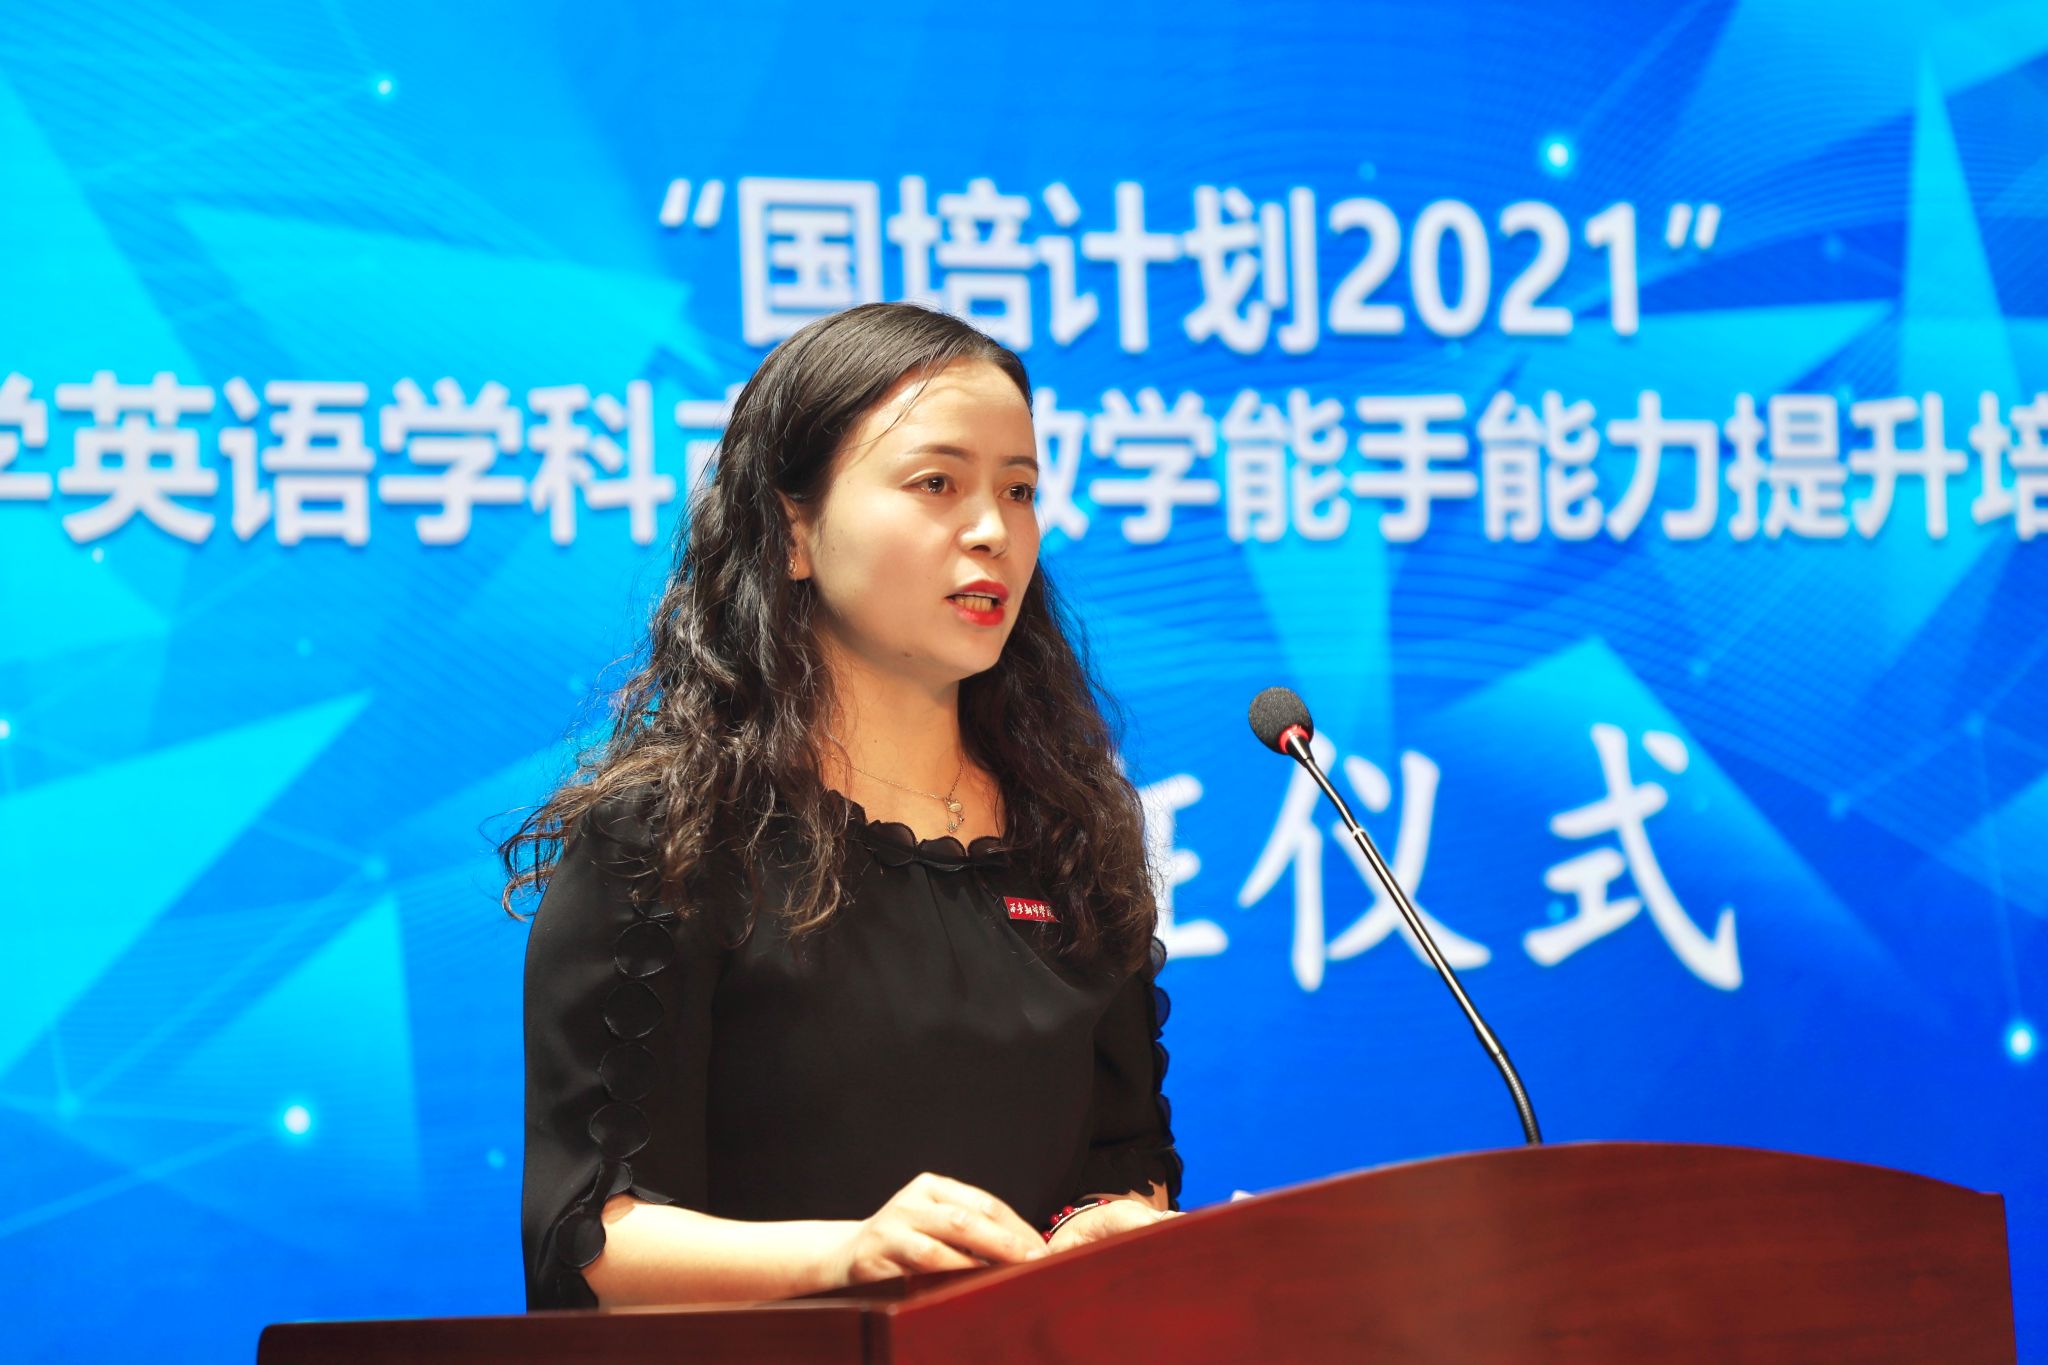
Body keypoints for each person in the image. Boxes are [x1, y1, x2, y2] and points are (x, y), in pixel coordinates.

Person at [502, 301, 1182, 1311]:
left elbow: (1127, 1163)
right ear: (793, 533)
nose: (993, 530)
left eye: (1019, 489)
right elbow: (589, 1244)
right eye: (936, 483)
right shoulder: (671, 837)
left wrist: (1108, 1228)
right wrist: (848, 1256)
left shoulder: (1067, 836)